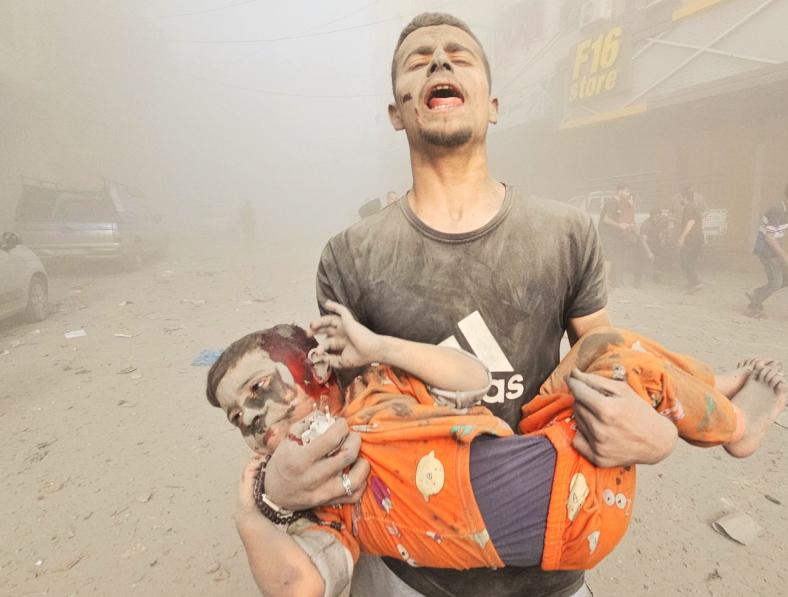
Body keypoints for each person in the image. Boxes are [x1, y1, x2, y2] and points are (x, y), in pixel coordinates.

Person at [260, 12, 681, 597]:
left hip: (552, 559)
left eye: (459, 54)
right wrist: (270, 494)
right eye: (417, 58)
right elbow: (342, 413)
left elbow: (605, 363)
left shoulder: (566, 232)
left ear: (493, 104)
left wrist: (656, 436)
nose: (438, 60)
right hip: (411, 569)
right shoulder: (351, 255)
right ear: (396, 112)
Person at [212, 303, 787, 596]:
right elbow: (301, 585)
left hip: (556, 452)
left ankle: (720, 404)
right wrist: (252, 513)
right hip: (567, 509)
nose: (255, 419)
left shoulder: (380, 383)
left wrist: (380, 345)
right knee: (631, 368)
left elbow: (472, 377)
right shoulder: (328, 492)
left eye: (259, 389)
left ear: (312, 363)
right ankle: (728, 420)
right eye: (239, 418)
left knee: (606, 346)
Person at [746, 181, 788, 317]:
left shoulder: (787, 210)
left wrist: (782, 255)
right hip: (766, 251)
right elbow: (769, 237)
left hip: (774, 250)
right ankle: (754, 304)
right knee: (775, 283)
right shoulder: (778, 210)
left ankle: (756, 295)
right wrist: (784, 256)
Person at [599, 184, 637, 288]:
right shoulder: (612, 202)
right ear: (619, 191)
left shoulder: (619, 203)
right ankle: (605, 282)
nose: (628, 194)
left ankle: (609, 281)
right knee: (608, 257)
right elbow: (606, 219)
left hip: (613, 234)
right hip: (607, 234)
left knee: (612, 257)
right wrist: (619, 225)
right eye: (626, 192)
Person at [677, 190, 705, 294]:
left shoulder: (688, 207)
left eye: (680, 198)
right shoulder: (695, 206)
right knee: (690, 261)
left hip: (691, 239)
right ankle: (692, 282)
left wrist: (682, 237)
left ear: (684, 198)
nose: (680, 200)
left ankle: (695, 283)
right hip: (698, 238)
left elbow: (691, 222)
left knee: (685, 260)